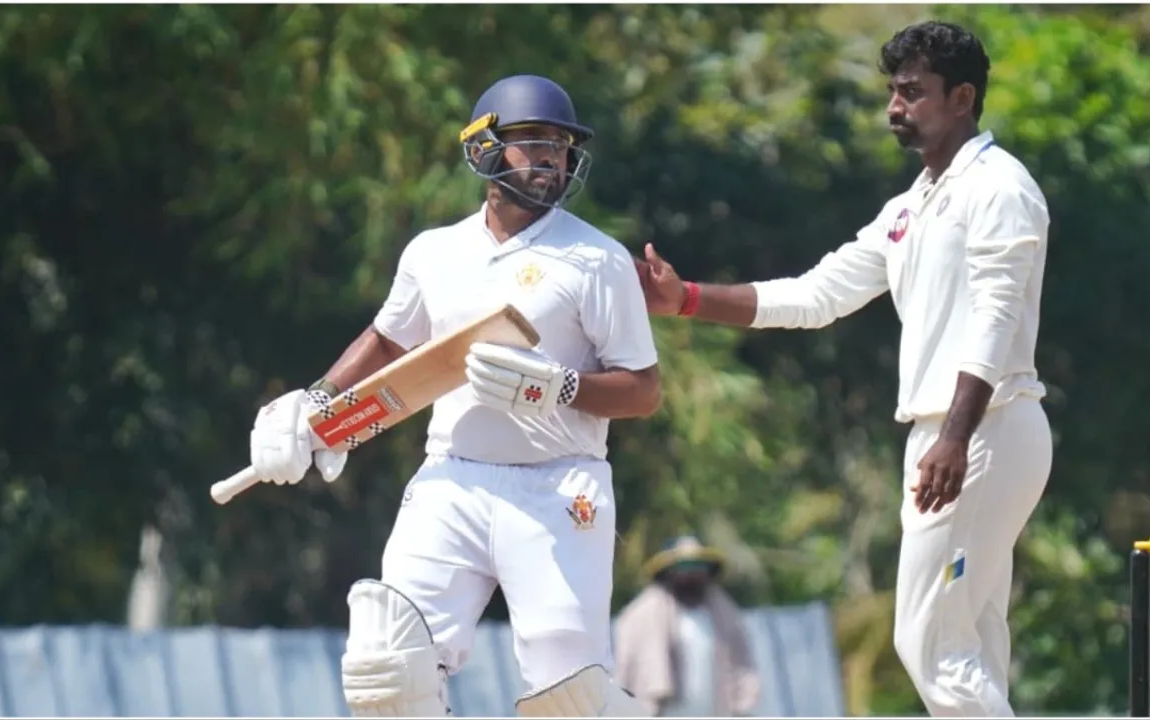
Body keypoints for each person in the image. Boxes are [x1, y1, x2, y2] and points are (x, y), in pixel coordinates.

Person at [635, 21, 1052, 718]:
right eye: (892, 91)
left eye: (912, 92)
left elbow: (996, 318)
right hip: (952, 433)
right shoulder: (912, 205)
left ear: (962, 98)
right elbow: (816, 295)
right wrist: (688, 300)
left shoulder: (999, 186)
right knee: (971, 640)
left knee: (928, 644)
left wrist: (955, 437)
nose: (895, 106)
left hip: (983, 427)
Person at [246, 74, 659, 717]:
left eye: (560, 146)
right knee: (388, 668)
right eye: (533, 141)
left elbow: (642, 391)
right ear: (483, 148)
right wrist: (318, 402)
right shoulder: (433, 253)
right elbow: (389, 340)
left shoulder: (596, 259)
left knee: (572, 697)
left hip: (557, 490)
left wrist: (560, 387)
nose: (551, 158)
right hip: (451, 479)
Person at [613, 535, 760, 717]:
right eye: (684, 567)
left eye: (698, 566)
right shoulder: (642, 615)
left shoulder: (724, 612)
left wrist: (743, 706)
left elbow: (743, 665)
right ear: (668, 572)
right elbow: (626, 672)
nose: (691, 573)